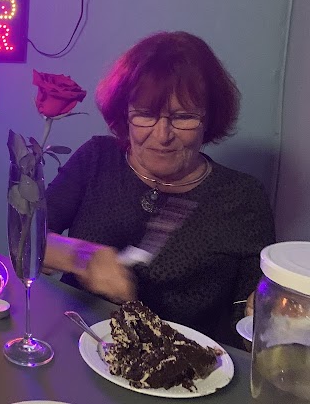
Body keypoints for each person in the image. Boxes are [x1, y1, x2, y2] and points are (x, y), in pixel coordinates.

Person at [41, 31, 274, 345]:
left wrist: (265, 319)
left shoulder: (243, 197)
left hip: (180, 365)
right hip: (77, 343)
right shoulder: (96, 158)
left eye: (183, 117)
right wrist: (82, 257)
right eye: (145, 115)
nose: (163, 135)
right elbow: (28, 240)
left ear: (209, 119)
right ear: (124, 114)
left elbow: (247, 320)